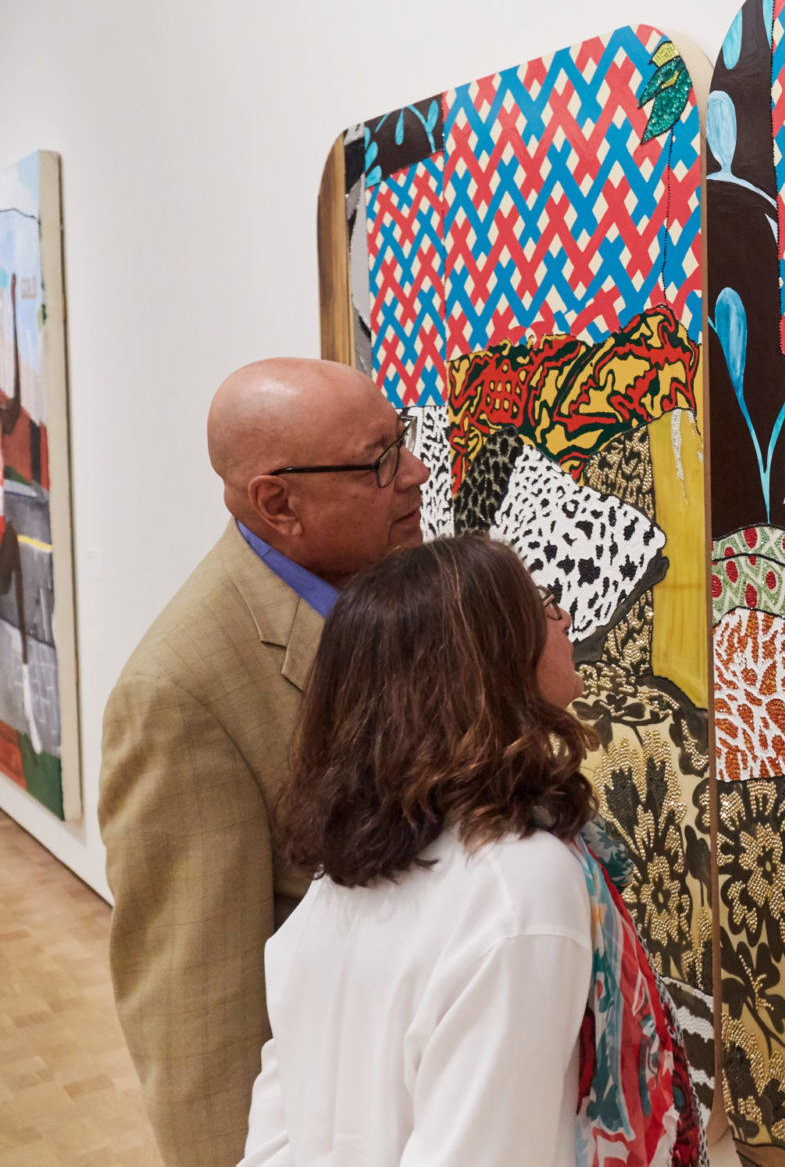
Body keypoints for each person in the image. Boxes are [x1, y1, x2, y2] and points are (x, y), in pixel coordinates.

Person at [240, 534, 701, 1167]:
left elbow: (274, 1138)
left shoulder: (344, 871)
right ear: (492, 663)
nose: (561, 616)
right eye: (540, 604)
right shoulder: (519, 888)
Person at [98, 358, 429, 1167]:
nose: (414, 473)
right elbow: (198, 1023)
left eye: (404, 442)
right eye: (379, 460)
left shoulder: (379, 585)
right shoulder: (178, 695)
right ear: (278, 502)